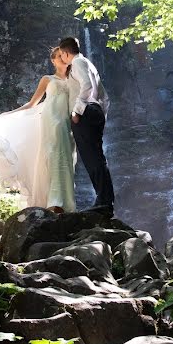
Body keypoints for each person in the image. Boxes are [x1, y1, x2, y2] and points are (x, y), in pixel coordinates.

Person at [0, 47, 76, 213]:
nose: (62, 59)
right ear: (53, 61)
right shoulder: (48, 79)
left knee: (66, 160)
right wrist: (7, 114)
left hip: (67, 126)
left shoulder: (74, 79)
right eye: (58, 57)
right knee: (50, 159)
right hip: (49, 123)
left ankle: (65, 204)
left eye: (64, 56)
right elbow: (32, 104)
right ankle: (53, 203)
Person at [57, 36, 114, 217]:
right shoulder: (89, 64)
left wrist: (77, 111)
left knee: (92, 158)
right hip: (94, 112)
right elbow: (104, 95)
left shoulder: (78, 63)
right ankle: (104, 199)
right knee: (96, 157)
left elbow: (87, 86)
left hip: (85, 113)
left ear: (65, 53)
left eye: (61, 55)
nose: (61, 59)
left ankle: (104, 201)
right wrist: (101, 115)